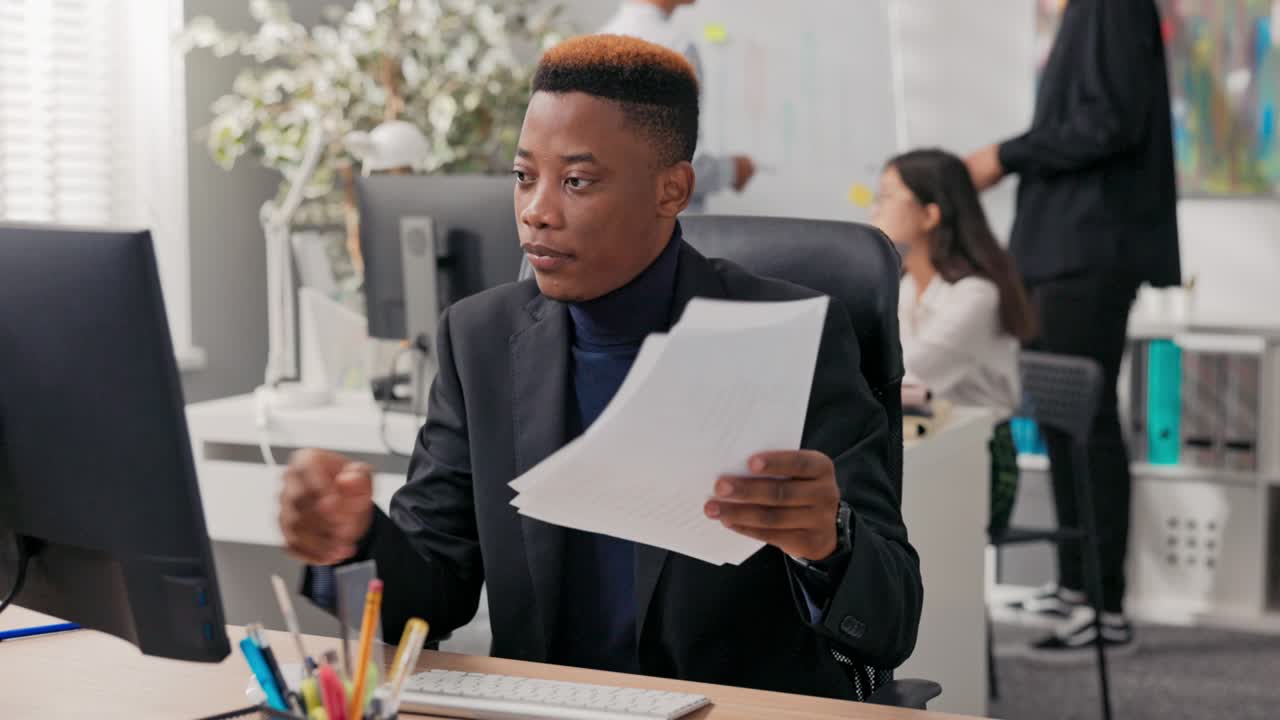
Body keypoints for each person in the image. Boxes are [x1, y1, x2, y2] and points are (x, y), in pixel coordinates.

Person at [279, 35, 921, 701]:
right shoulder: (479, 339)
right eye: (524, 177)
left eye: (576, 181)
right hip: (542, 713)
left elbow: (893, 622)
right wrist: (353, 538)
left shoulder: (789, 334)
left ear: (671, 190)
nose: (537, 211)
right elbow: (432, 595)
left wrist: (829, 543)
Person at [966, 0, 1180, 652]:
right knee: (1062, 420)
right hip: (1062, 251)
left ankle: (1104, 604)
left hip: (1088, 252)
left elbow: (1107, 124)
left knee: (1087, 422)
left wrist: (1004, 154)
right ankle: (1076, 584)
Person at [872, 148, 1036, 535]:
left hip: (979, 454)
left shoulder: (977, 296)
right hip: (923, 441)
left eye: (888, 196)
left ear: (931, 215)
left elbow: (906, 372)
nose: (875, 209)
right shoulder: (906, 288)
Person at [600, 0, 756, 210]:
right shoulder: (677, 47)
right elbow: (681, 165)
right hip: (670, 221)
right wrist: (733, 170)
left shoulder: (597, 41)